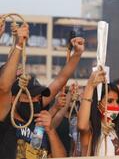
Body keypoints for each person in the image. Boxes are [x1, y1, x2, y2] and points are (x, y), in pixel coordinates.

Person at [0, 23, 85, 159]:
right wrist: (18, 45)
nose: (35, 100)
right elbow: (4, 87)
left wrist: (77, 54)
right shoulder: (5, 119)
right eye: (30, 96)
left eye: (38, 97)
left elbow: (60, 80)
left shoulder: (39, 126)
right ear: (12, 98)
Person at [78, 68, 119, 156]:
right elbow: (82, 126)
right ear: (98, 104)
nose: (116, 105)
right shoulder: (91, 133)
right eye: (110, 101)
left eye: (117, 101)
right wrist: (90, 86)